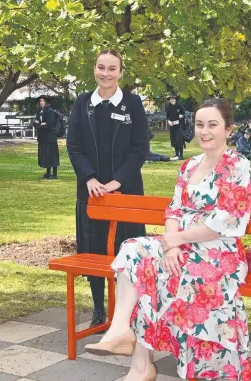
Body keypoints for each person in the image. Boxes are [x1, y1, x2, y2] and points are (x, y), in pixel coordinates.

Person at [85, 98, 251, 381]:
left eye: (212, 125)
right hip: (181, 246)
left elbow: (223, 222)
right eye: (200, 124)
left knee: (158, 277)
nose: (204, 131)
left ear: (228, 129)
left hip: (217, 251)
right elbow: (174, 209)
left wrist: (176, 241)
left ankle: (141, 368)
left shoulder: (238, 166)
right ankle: (120, 330)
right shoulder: (189, 165)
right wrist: (169, 246)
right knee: (134, 250)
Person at [67, 49, 150, 326]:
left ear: (120, 73)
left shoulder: (133, 103)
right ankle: (99, 309)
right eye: (101, 67)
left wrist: (117, 181)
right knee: (94, 252)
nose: (106, 73)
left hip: (125, 193)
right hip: (91, 193)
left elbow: (140, 148)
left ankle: (128, 315)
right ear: (94, 69)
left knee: (128, 254)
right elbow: (74, 146)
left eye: (112, 69)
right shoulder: (82, 103)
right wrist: (89, 178)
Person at [34, 95, 59, 179]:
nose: (41, 102)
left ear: (46, 102)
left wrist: (40, 124)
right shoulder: (39, 111)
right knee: (46, 154)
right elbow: (35, 122)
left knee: (52, 155)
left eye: (43, 101)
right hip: (43, 136)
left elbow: (49, 124)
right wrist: (40, 124)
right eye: (40, 101)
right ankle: (48, 173)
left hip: (50, 137)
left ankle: (54, 174)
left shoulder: (50, 111)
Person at [166, 94, 186, 160]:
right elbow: (167, 116)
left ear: (175, 100)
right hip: (172, 125)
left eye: (173, 99)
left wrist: (182, 116)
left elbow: (184, 114)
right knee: (174, 139)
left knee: (180, 139)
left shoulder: (179, 106)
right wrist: (168, 121)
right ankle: (177, 154)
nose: (172, 100)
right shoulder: (168, 106)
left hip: (180, 124)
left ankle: (181, 155)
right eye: (171, 99)